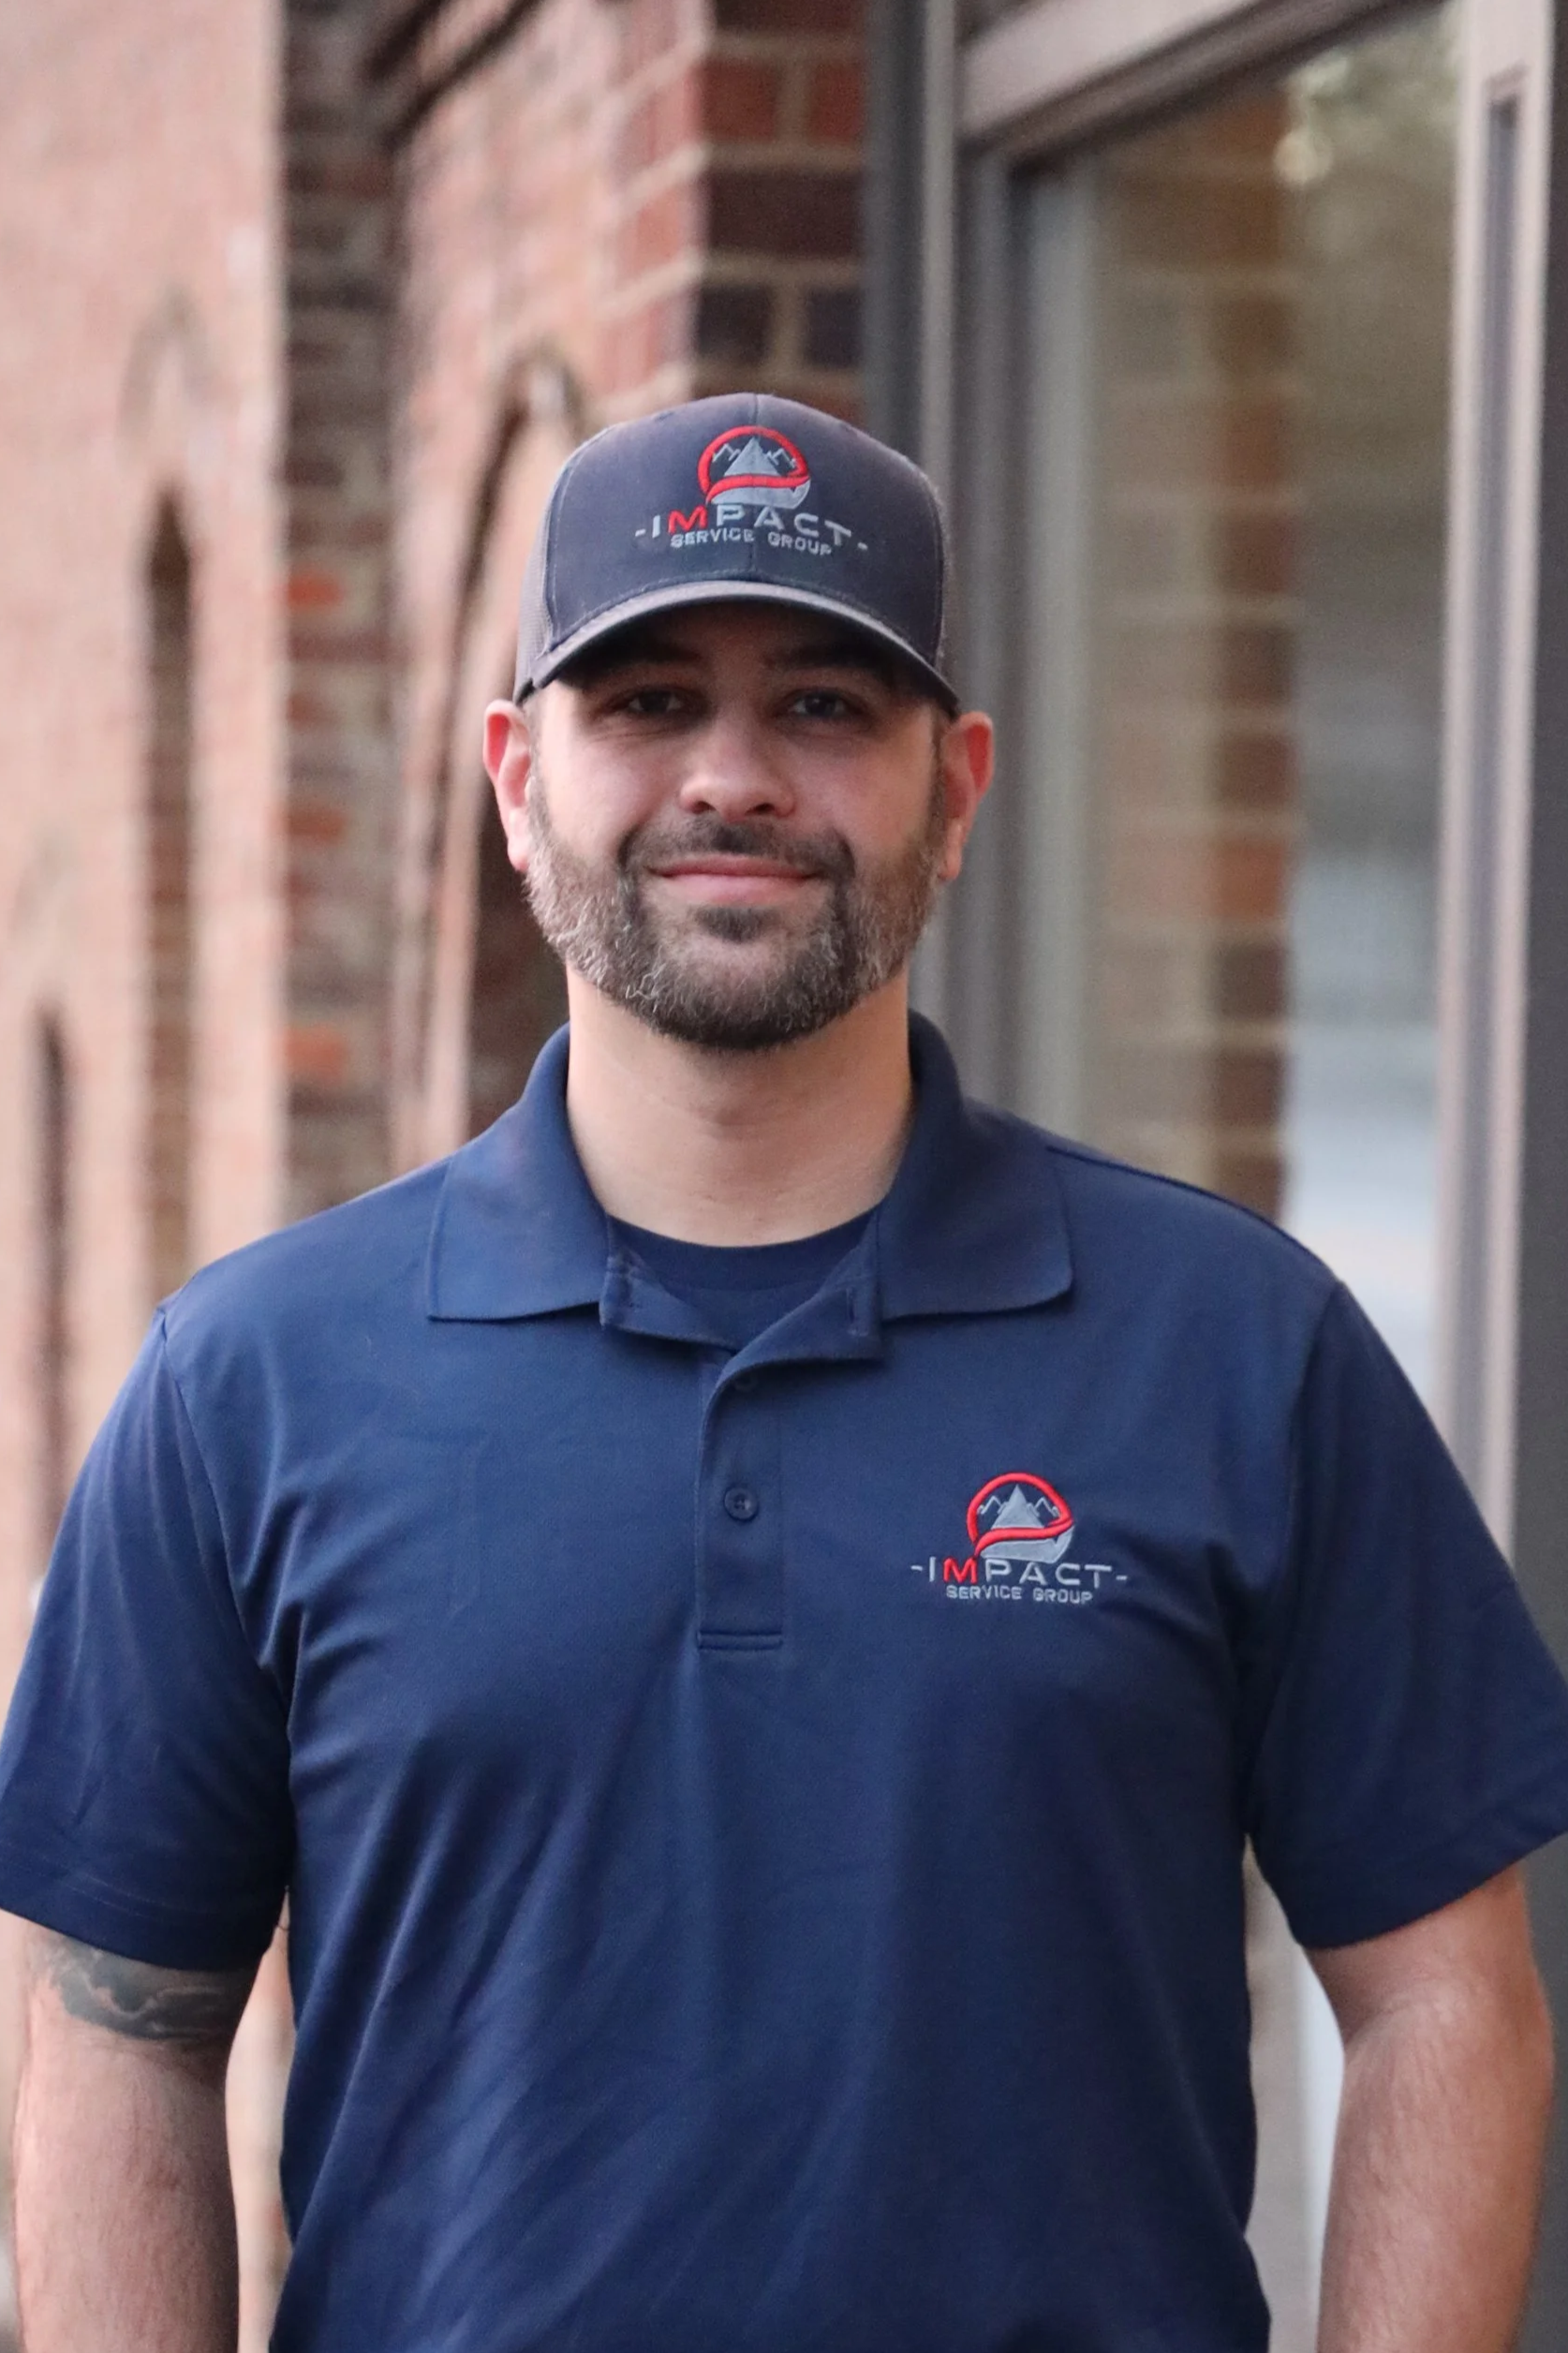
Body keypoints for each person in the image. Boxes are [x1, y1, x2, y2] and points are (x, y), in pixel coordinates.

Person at [2, 393, 1567, 2353]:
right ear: (513, 777)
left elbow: (1444, 1995)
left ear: (960, 786)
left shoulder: (1237, 1349)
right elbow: (115, 2031)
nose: (731, 777)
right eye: (647, 702)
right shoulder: (251, 1383)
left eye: (825, 706)